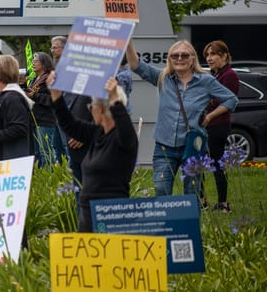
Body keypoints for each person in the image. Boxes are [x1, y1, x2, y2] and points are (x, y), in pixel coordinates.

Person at [126, 40, 238, 197]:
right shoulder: (163, 78)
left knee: (192, 193)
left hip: (192, 146)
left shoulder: (206, 81)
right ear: (170, 59)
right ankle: (167, 222)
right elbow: (136, 65)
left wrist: (211, 116)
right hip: (164, 147)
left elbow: (231, 100)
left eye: (184, 55)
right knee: (161, 190)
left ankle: (191, 221)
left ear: (192, 59)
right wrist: (128, 40)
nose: (179, 58)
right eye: (174, 55)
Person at [48, 74, 138, 232]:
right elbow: (71, 125)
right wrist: (56, 96)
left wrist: (115, 99)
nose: (90, 110)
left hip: (111, 214)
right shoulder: (97, 132)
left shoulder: (123, 139)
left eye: (91, 107)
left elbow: (126, 129)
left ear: (102, 109)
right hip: (89, 211)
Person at [203, 40, 239, 213]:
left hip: (217, 125)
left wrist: (208, 110)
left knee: (216, 164)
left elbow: (227, 100)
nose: (209, 58)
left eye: (213, 54)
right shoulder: (214, 75)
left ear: (224, 55)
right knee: (200, 162)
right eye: (207, 55)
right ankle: (202, 200)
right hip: (206, 125)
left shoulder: (229, 75)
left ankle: (223, 204)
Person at [25, 52, 57, 167]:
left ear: (44, 63)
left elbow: (54, 99)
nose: (33, 63)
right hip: (34, 120)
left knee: (45, 152)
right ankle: (39, 178)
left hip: (45, 120)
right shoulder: (34, 79)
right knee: (36, 153)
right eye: (32, 61)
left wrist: (35, 96)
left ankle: (49, 178)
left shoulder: (49, 78)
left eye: (36, 61)